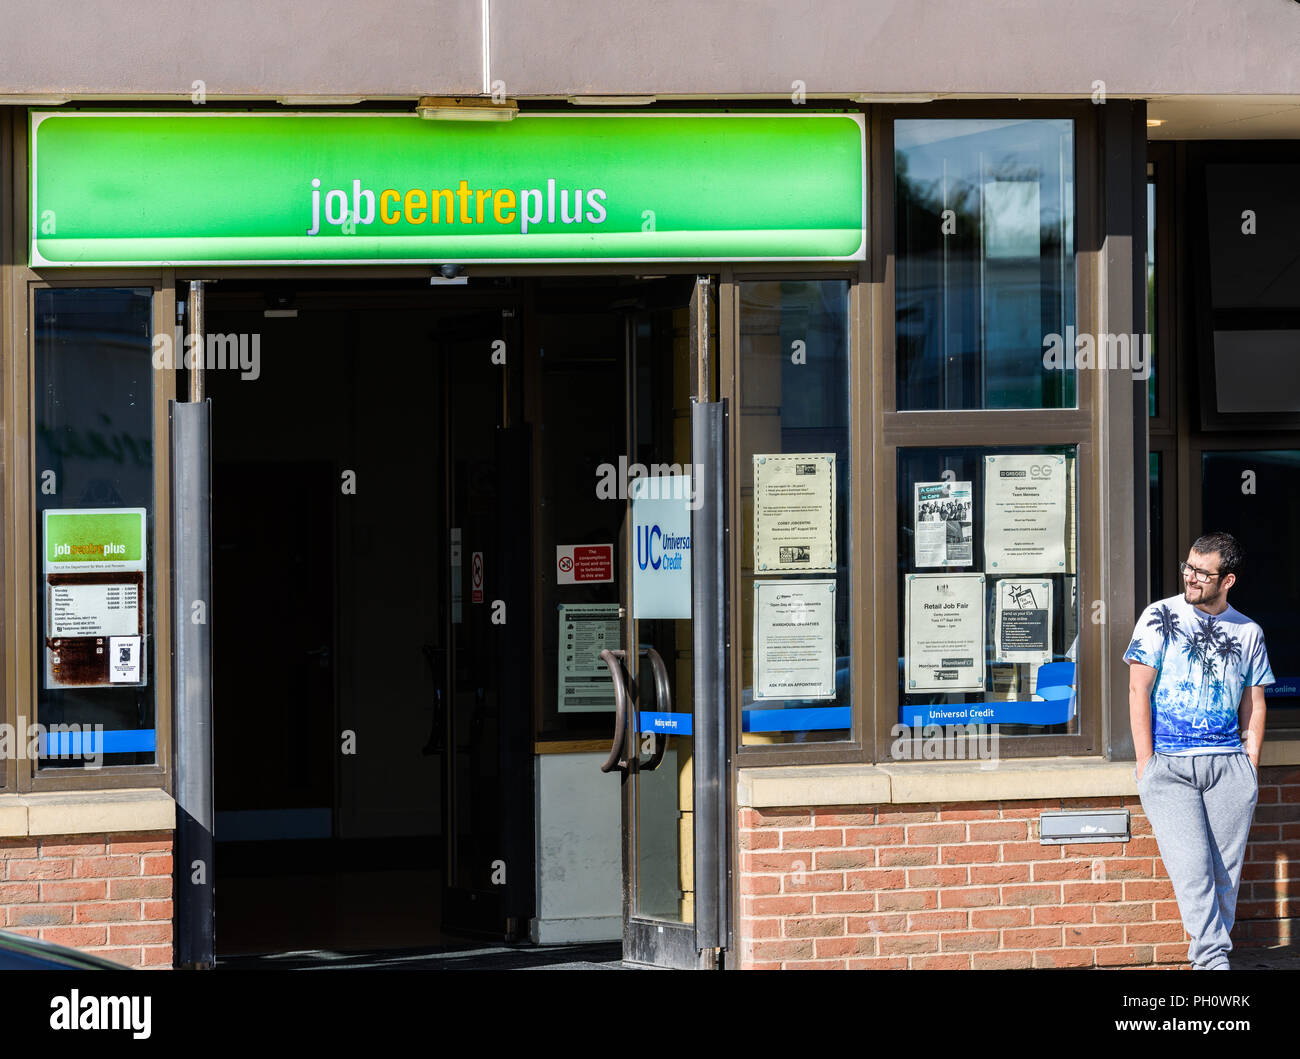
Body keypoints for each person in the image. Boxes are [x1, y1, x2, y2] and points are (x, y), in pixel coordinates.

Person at [1124, 531, 1273, 970]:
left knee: (1226, 876)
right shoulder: (1159, 616)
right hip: (1168, 766)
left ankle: (1209, 961)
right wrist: (1145, 764)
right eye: (1187, 568)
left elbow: (1255, 702)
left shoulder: (1248, 632)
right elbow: (1138, 689)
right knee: (1193, 873)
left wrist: (1250, 765)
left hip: (1229, 766)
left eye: (1201, 573)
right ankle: (1213, 962)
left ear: (1227, 580)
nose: (1190, 578)